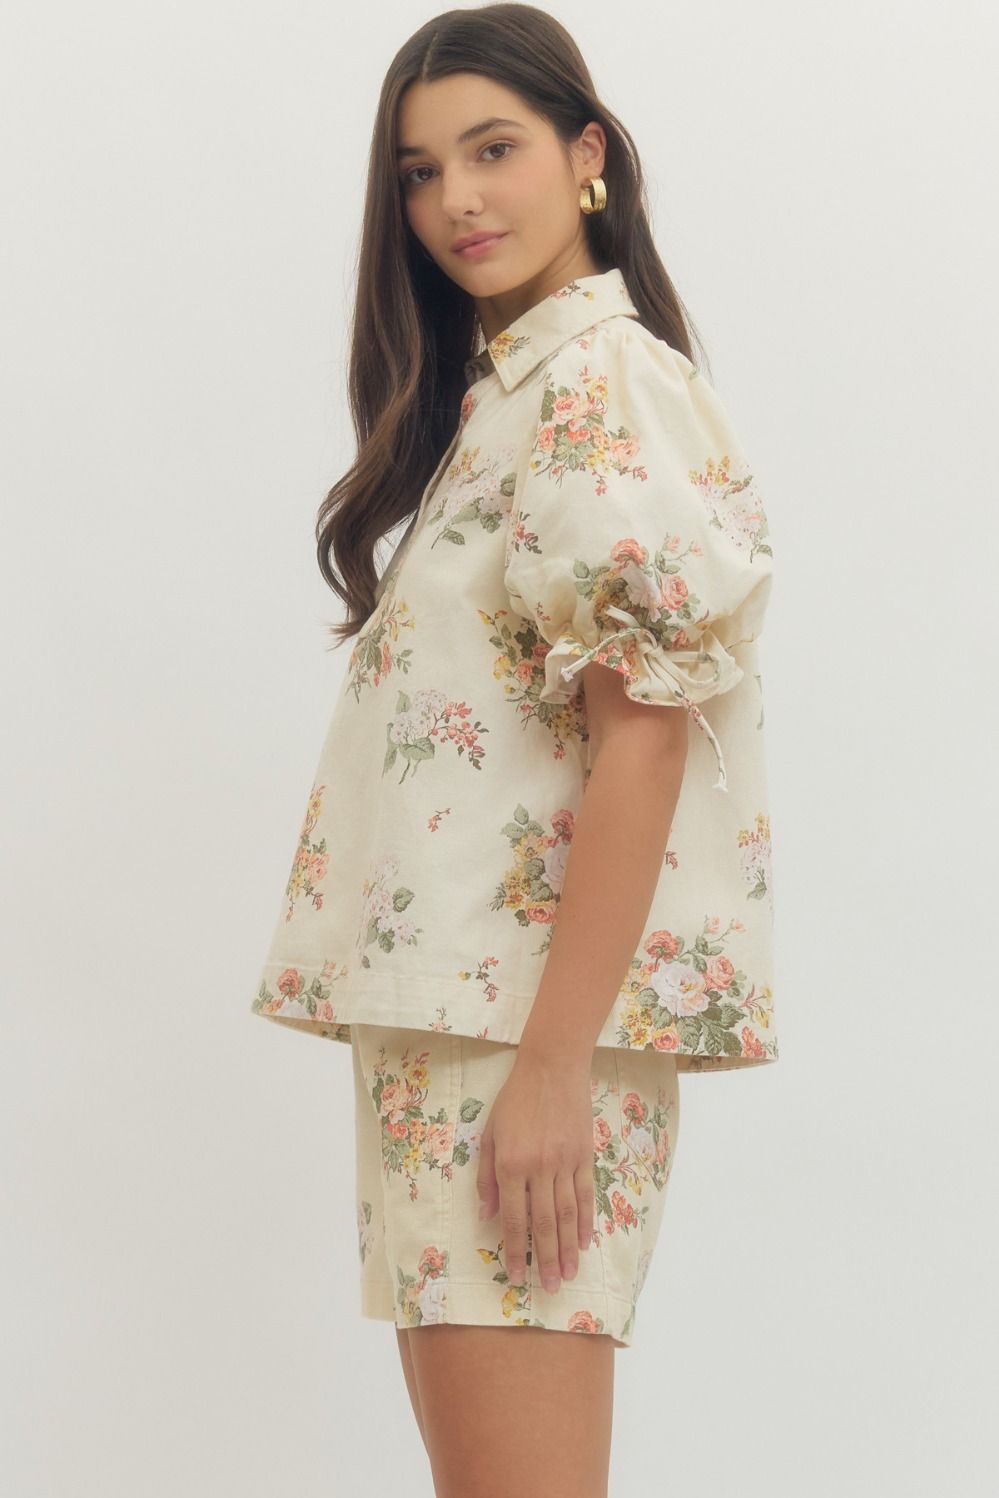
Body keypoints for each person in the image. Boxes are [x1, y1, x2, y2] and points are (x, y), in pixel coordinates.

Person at [250, 5, 779, 1494]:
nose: (457, 202)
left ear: (587, 156)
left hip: (522, 1049)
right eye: (420, 173)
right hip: (458, 1041)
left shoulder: (607, 387)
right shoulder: (513, 397)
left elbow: (646, 746)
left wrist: (553, 1071)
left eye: (494, 151)